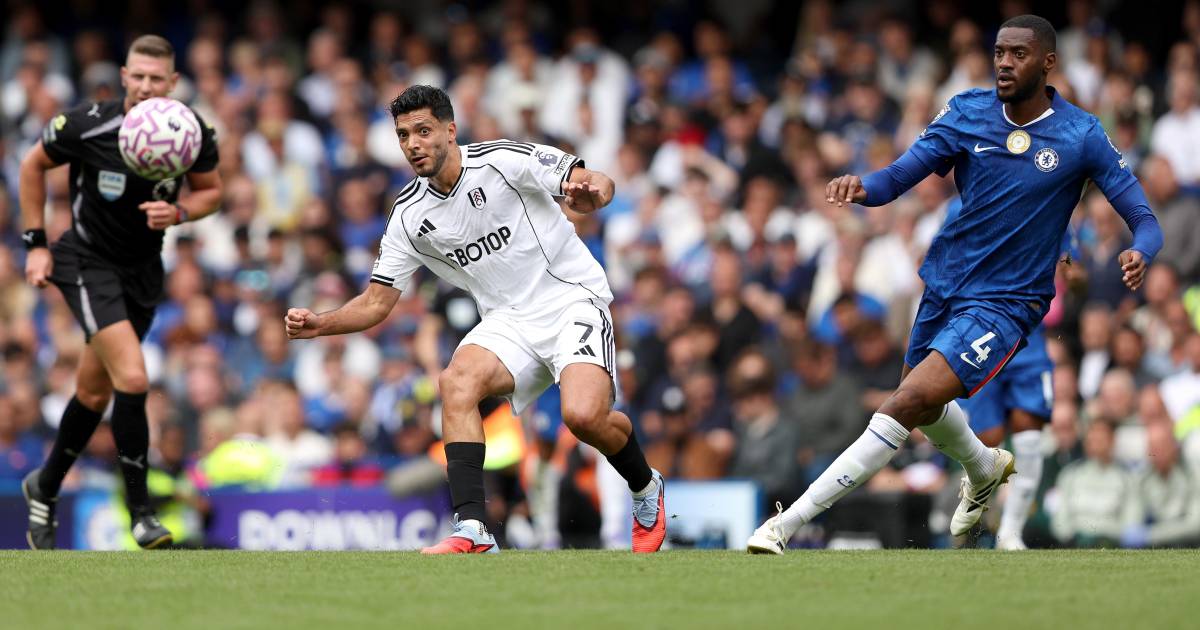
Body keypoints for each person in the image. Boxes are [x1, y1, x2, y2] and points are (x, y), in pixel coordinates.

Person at [748, 15, 1162, 554]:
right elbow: (897, 177)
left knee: (904, 401)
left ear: (1048, 63)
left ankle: (784, 525)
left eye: (1017, 54)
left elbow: (1144, 219)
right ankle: (983, 466)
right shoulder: (967, 111)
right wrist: (860, 186)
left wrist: (1139, 250)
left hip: (1008, 303)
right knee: (919, 405)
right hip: (945, 284)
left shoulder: (1081, 134)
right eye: (999, 53)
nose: (1004, 64)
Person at [285, 85, 665, 554]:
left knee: (584, 417)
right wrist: (320, 324)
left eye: (423, 131)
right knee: (455, 383)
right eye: (404, 135)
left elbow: (590, 179)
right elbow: (376, 303)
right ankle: (473, 528)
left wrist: (594, 194)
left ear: (450, 130)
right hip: (508, 321)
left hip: (571, 300)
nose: (413, 144)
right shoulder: (408, 214)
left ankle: (646, 488)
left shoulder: (502, 161)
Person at [19, 34, 221, 550]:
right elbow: (31, 166)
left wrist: (179, 213)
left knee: (93, 392)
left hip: (142, 272)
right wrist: (36, 245)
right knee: (133, 377)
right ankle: (141, 514)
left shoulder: (189, 131)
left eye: (158, 78)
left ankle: (44, 486)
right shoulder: (88, 124)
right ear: (125, 77)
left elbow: (212, 192)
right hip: (87, 262)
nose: (147, 86)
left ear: (173, 83)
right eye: (139, 76)